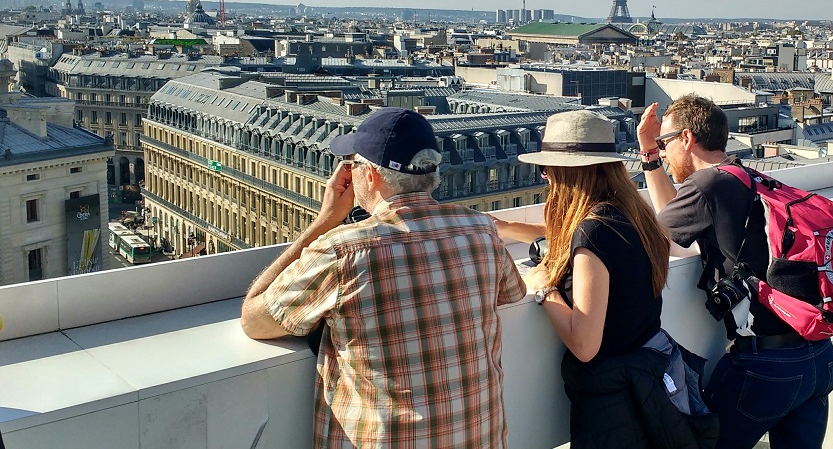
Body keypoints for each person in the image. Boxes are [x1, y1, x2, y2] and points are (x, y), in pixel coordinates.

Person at [240, 107, 526, 449]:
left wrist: (324, 222)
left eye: (351, 164)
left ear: (372, 176)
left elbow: (254, 320)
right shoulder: (481, 230)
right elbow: (513, 292)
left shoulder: (343, 250)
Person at [493, 109, 717, 449]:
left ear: (567, 173)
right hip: (648, 378)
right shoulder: (630, 213)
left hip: (612, 400)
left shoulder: (593, 234)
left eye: (546, 169)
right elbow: (571, 232)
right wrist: (507, 228)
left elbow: (585, 346)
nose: (545, 178)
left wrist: (545, 289)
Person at [637, 94, 833, 449]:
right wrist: (650, 155)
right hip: (818, 357)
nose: (664, 154)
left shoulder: (708, 184)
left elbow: (653, 238)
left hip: (767, 367)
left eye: (664, 144)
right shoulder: (745, 178)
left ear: (687, 138)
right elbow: (675, 222)